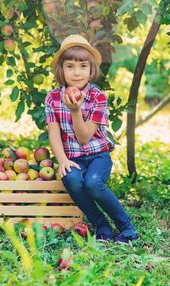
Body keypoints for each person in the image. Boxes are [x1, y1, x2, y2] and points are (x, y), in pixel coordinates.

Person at [44, 34, 139, 244]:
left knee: (94, 183)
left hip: (98, 155)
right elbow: (54, 132)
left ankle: (126, 228)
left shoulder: (98, 97)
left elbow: (85, 137)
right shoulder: (52, 98)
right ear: (61, 69)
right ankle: (101, 225)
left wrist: (75, 111)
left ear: (91, 69)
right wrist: (63, 161)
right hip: (73, 158)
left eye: (83, 66)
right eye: (70, 66)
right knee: (72, 180)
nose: (76, 72)